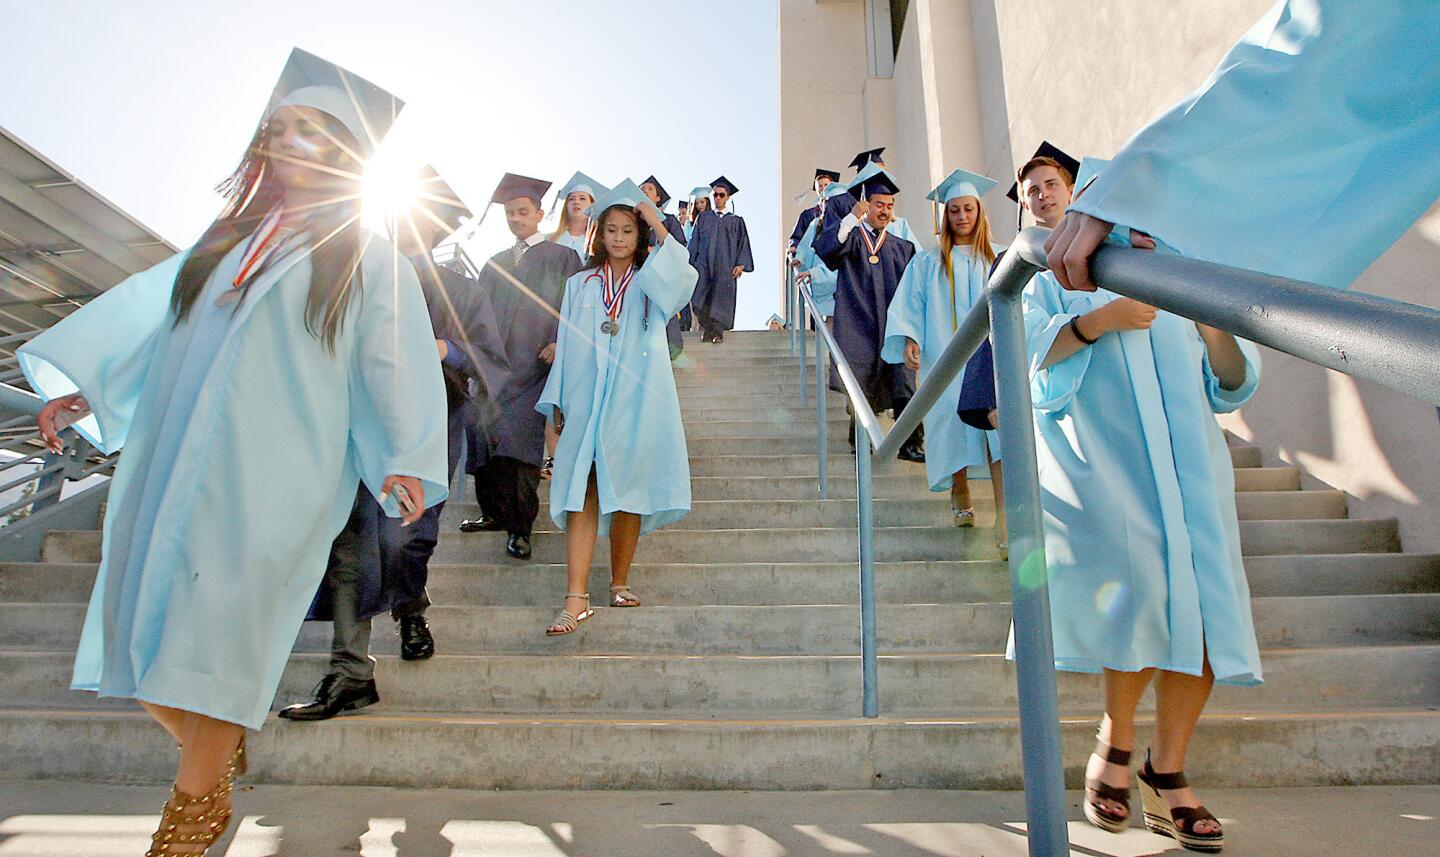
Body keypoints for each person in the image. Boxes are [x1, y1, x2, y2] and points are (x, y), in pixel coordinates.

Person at [21, 48, 445, 853]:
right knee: (150, 648)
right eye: (280, 132)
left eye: (316, 133)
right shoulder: (222, 247)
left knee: (216, 636)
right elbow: (157, 333)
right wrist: (94, 391)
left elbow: (395, 357)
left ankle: (185, 822)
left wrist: (404, 450)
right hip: (174, 461)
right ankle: (213, 759)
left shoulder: (364, 255)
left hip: (276, 475)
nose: (293, 146)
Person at [1024, 157, 1263, 852]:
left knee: (1209, 616)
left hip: (1193, 471)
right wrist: (1098, 320)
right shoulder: (1049, 276)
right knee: (1142, 600)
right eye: (1029, 188)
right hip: (1114, 473)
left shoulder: (1179, 268)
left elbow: (1230, 384)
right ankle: (1118, 739)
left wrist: (1209, 317)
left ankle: (1169, 765)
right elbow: (1030, 369)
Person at [1044, 0, 1440, 295]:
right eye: (1032, 191)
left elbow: (1348, 40)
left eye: (1049, 184)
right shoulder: (1047, 278)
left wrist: (1136, 187)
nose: (1043, 196)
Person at [282, 166, 490, 721]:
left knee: (403, 539)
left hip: (427, 421)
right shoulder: (354, 269)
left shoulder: (464, 290)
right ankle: (351, 671)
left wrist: (445, 350)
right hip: (352, 419)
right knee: (349, 544)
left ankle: (412, 609)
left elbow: (490, 356)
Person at [539, 179, 696, 635]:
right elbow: (566, 343)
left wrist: (655, 219)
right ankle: (575, 598)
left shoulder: (651, 279)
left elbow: (684, 276)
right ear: (599, 234)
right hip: (587, 396)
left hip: (636, 397)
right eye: (611, 229)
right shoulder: (580, 284)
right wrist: (559, 400)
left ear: (639, 233)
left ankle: (619, 581)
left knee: (627, 486)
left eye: (628, 229)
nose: (620, 238)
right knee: (582, 489)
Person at [461, 173, 583, 560]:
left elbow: (577, 306)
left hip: (534, 365)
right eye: (511, 213)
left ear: (540, 213)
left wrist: (560, 341)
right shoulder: (494, 264)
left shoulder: (562, 257)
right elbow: (474, 311)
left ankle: (520, 528)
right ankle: (492, 514)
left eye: (523, 211)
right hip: (492, 366)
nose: (516, 218)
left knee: (519, 447)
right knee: (483, 440)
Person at [883, 169, 1005, 538]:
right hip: (944, 352)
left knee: (999, 429)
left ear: (979, 211)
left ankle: (1005, 514)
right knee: (950, 420)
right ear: (945, 215)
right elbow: (911, 302)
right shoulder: (927, 261)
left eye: (968, 209)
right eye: (954, 210)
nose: (962, 217)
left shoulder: (1000, 255)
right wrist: (909, 338)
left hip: (992, 354)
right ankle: (960, 486)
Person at [813, 167, 922, 461]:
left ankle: (911, 443)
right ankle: (859, 441)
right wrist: (851, 218)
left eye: (889, 206)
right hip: (858, 323)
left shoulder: (903, 247)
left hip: (894, 324)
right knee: (860, 383)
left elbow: (914, 292)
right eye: (878, 205)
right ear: (864, 205)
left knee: (903, 384)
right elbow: (826, 249)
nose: (885, 212)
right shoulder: (851, 239)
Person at [690, 176, 753, 343]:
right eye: (715, 195)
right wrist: (690, 263)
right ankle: (707, 328)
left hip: (725, 265)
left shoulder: (736, 221)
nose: (717, 198)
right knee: (701, 296)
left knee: (721, 298)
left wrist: (741, 264)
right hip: (703, 264)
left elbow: (743, 242)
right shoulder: (703, 218)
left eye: (721, 195)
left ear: (728, 197)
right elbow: (694, 241)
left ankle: (717, 332)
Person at [639, 175, 691, 359]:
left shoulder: (668, 220)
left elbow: (678, 246)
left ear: (658, 198)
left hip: (661, 276)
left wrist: (654, 250)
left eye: (649, 189)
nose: (644, 190)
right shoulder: (633, 221)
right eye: (642, 188)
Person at [791, 180, 850, 322]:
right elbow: (806, 246)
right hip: (825, 274)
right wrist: (801, 259)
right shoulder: (817, 224)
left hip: (841, 279)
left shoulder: (851, 228)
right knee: (830, 317)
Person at [548, 171, 607, 262]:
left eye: (582, 198)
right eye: (571, 199)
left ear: (592, 206)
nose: (576, 202)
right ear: (566, 206)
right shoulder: (549, 239)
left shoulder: (597, 245)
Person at [787, 167, 840, 254]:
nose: (823, 188)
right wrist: (793, 246)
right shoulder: (808, 214)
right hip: (813, 253)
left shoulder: (841, 210)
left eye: (826, 185)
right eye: (820, 186)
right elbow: (796, 236)